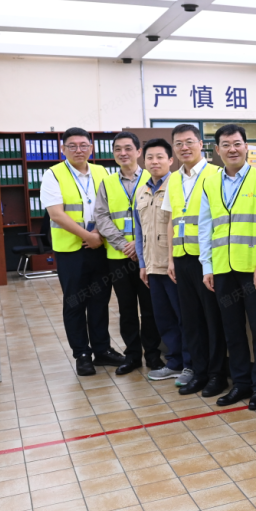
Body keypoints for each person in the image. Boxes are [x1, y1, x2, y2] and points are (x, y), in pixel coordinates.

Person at [198, 124, 256, 410]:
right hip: (222, 269)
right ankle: (241, 383)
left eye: (237, 144)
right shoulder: (210, 183)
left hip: (251, 268)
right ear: (217, 150)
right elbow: (205, 228)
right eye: (226, 145)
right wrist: (207, 266)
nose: (232, 149)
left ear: (246, 147)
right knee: (232, 329)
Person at [42, 127, 126, 376]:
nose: (78, 150)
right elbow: (56, 214)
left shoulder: (102, 172)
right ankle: (82, 354)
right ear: (63, 149)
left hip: (100, 246)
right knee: (75, 303)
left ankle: (102, 350)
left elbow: (109, 207)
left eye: (83, 145)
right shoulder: (53, 174)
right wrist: (87, 236)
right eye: (72, 146)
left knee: (100, 301)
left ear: (91, 147)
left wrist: (98, 234)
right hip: (72, 250)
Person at [164, 124, 228, 397]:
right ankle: (199, 372)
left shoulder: (216, 174)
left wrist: (210, 261)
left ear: (201, 144)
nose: (184, 147)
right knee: (191, 320)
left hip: (208, 259)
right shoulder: (173, 179)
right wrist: (170, 258)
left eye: (189, 142)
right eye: (178, 143)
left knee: (212, 320)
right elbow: (171, 220)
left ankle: (217, 375)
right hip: (182, 258)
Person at [93, 132, 163, 376]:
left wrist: (139, 244)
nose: (123, 153)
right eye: (118, 149)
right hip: (119, 257)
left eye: (128, 148)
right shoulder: (107, 182)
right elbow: (101, 216)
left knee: (150, 308)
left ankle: (153, 355)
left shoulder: (153, 178)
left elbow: (161, 216)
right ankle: (132, 355)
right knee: (127, 309)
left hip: (148, 256)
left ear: (138, 151)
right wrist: (124, 244)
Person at [134, 138, 191, 385]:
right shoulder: (142, 190)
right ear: (143, 161)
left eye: (160, 157)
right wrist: (142, 264)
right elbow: (139, 231)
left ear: (170, 160)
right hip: (152, 266)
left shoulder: (178, 185)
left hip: (174, 265)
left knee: (184, 317)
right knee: (164, 319)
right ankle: (175, 362)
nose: (154, 161)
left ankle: (190, 364)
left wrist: (172, 261)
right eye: (149, 157)